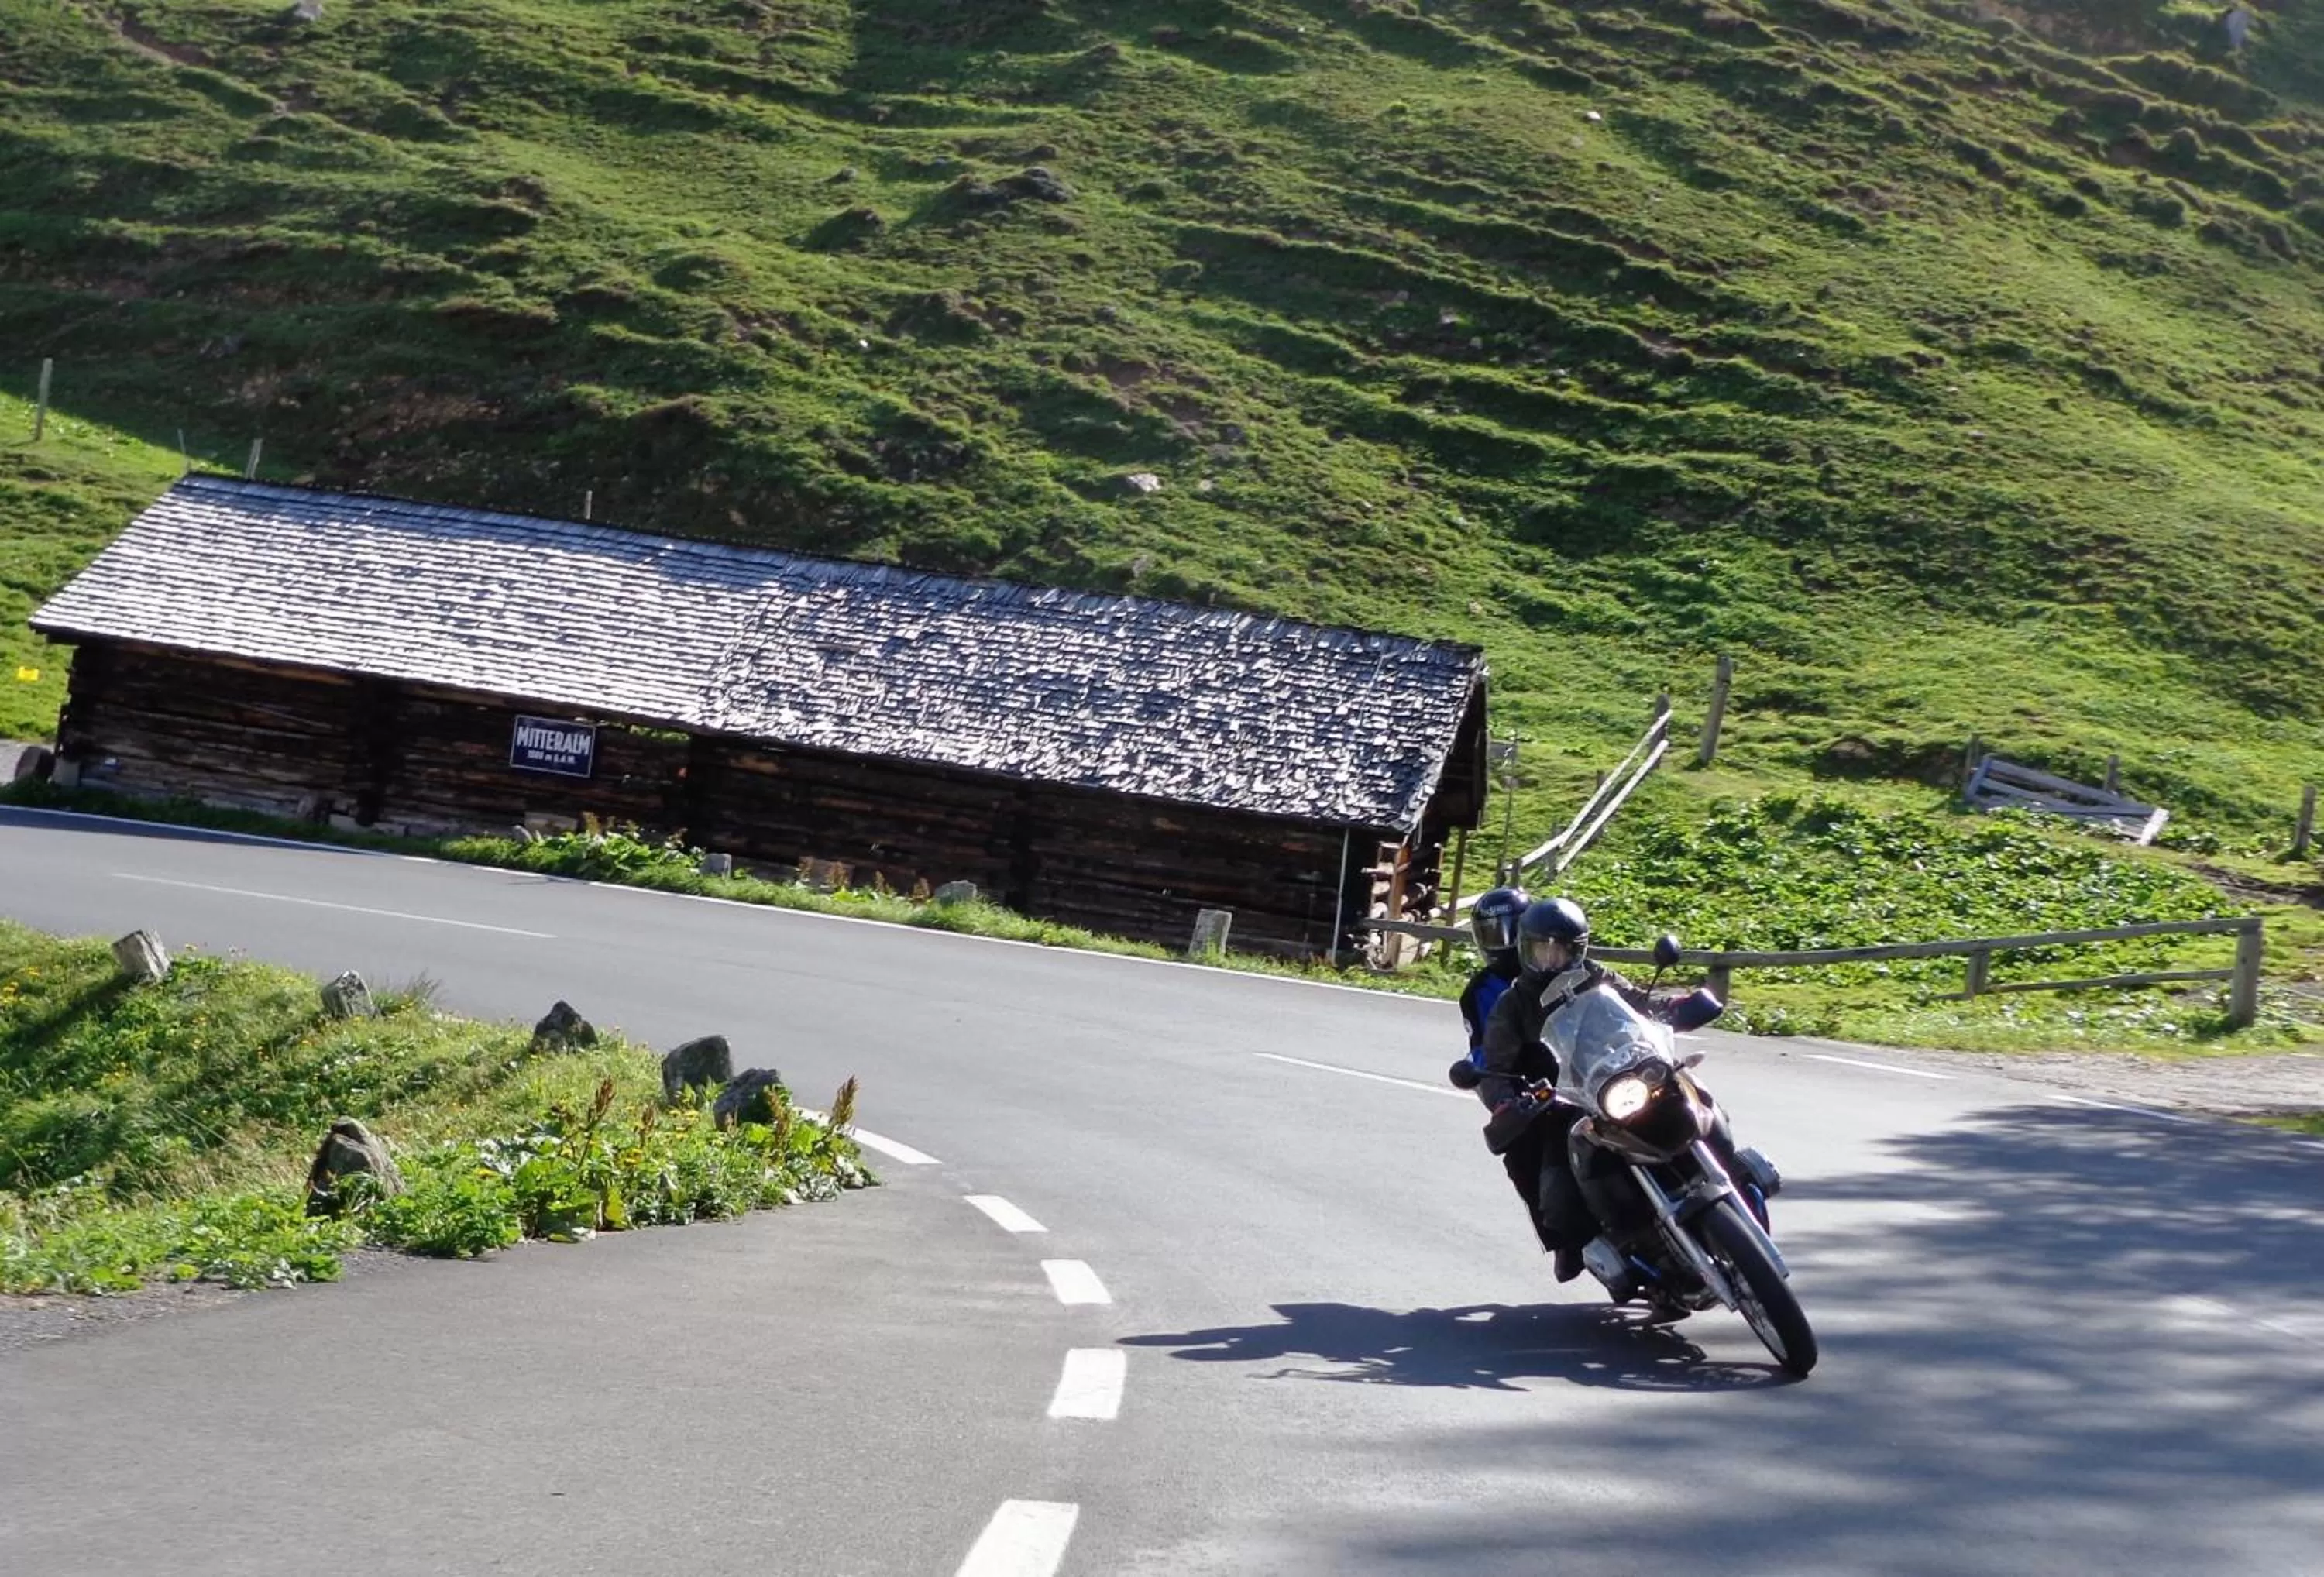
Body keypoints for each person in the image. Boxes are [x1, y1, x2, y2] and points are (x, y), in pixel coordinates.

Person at [1475, 896, 1655, 1280]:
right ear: (1527, 948)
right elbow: (1492, 1064)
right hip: (1559, 1095)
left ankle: (1734, 1174)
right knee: (1549, 1187)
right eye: (1544, 950)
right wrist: (1505, 1101)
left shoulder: (1595, 974)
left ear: (1579, 949)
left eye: (1563, 950)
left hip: (1617, 1072)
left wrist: (1678, 1007)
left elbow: (1639, 1002)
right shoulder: (1510, 1001)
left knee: (1688, 1094)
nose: (1553, 960)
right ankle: (1571, 1244)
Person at [1456, 885, 1528, 1073]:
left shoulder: (1552, 971)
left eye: (1508, 933)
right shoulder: (1477, 992)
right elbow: (1480, 1049)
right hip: (1515, 1079)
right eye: (1489, 935)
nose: (1499, 944)